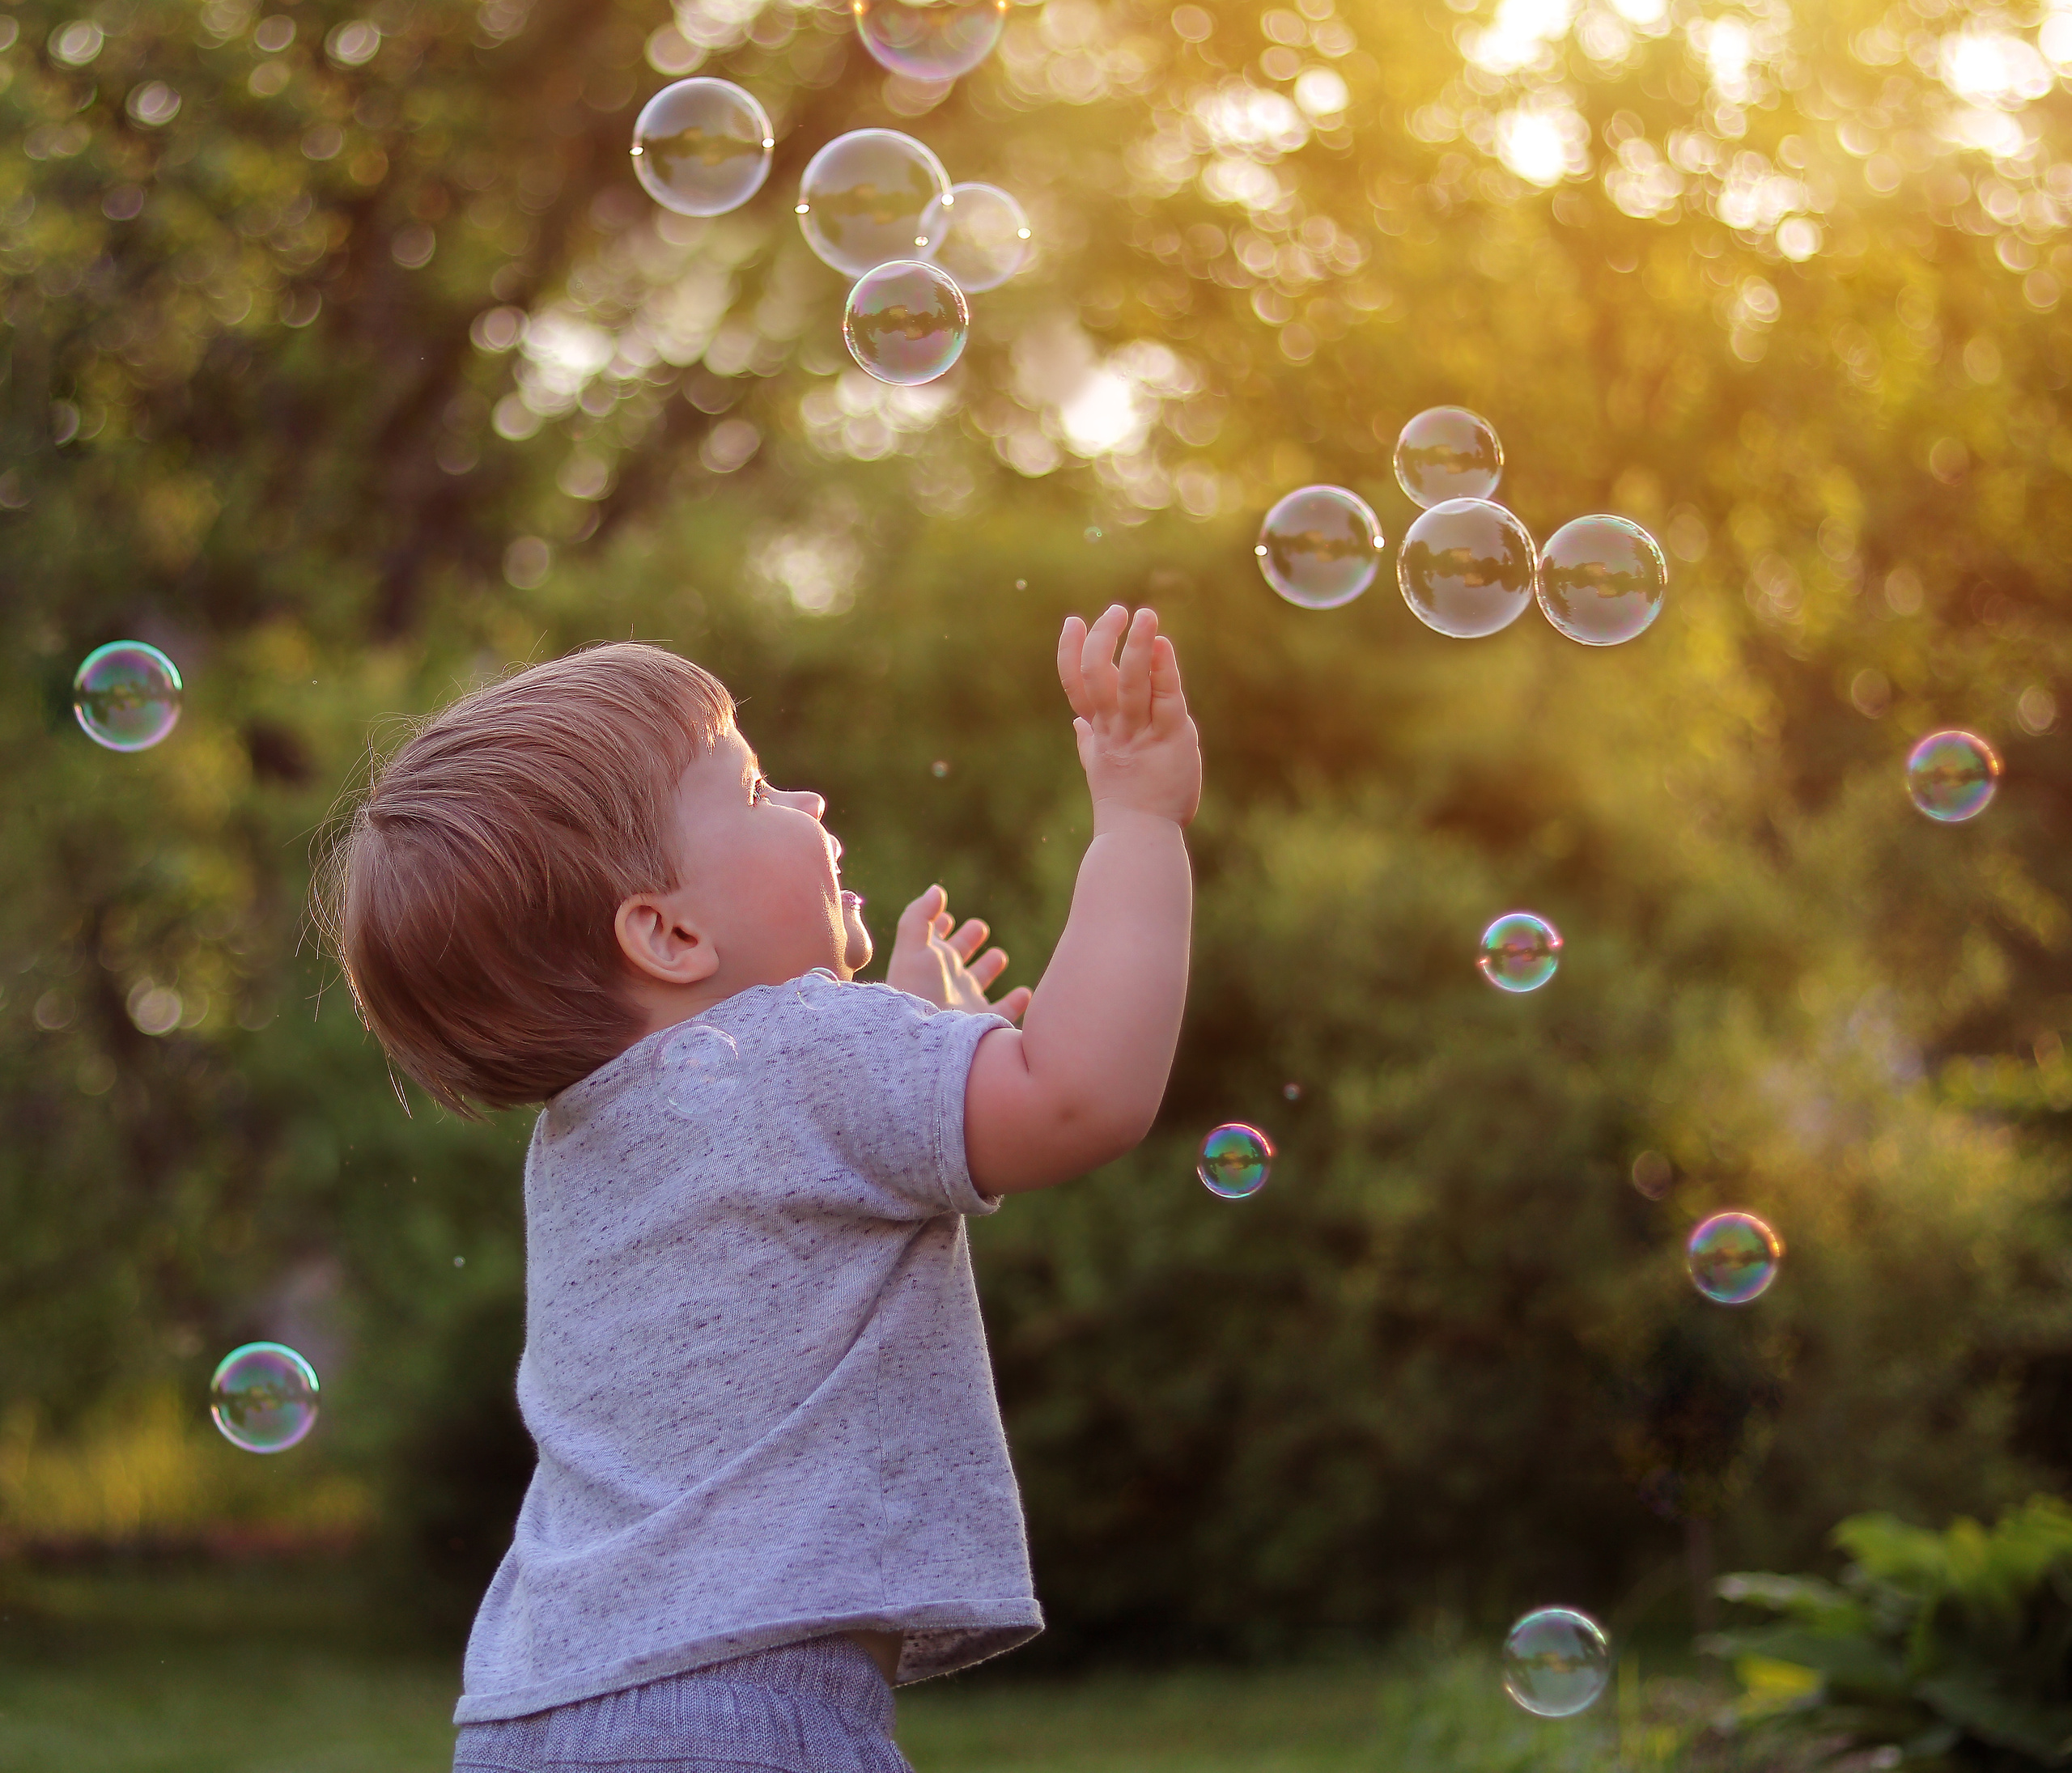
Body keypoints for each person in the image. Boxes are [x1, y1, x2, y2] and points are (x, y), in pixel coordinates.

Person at [319, 604, 1201, 1773]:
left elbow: (791, 1210)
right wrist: (1140, 817)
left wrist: (922, 1045)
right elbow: (1081, 1094)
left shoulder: (593, 1134)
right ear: (669, 935)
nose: (810, 804)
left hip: (534, 1708)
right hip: (733, 1722)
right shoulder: (801, 1050)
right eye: (755, 790)